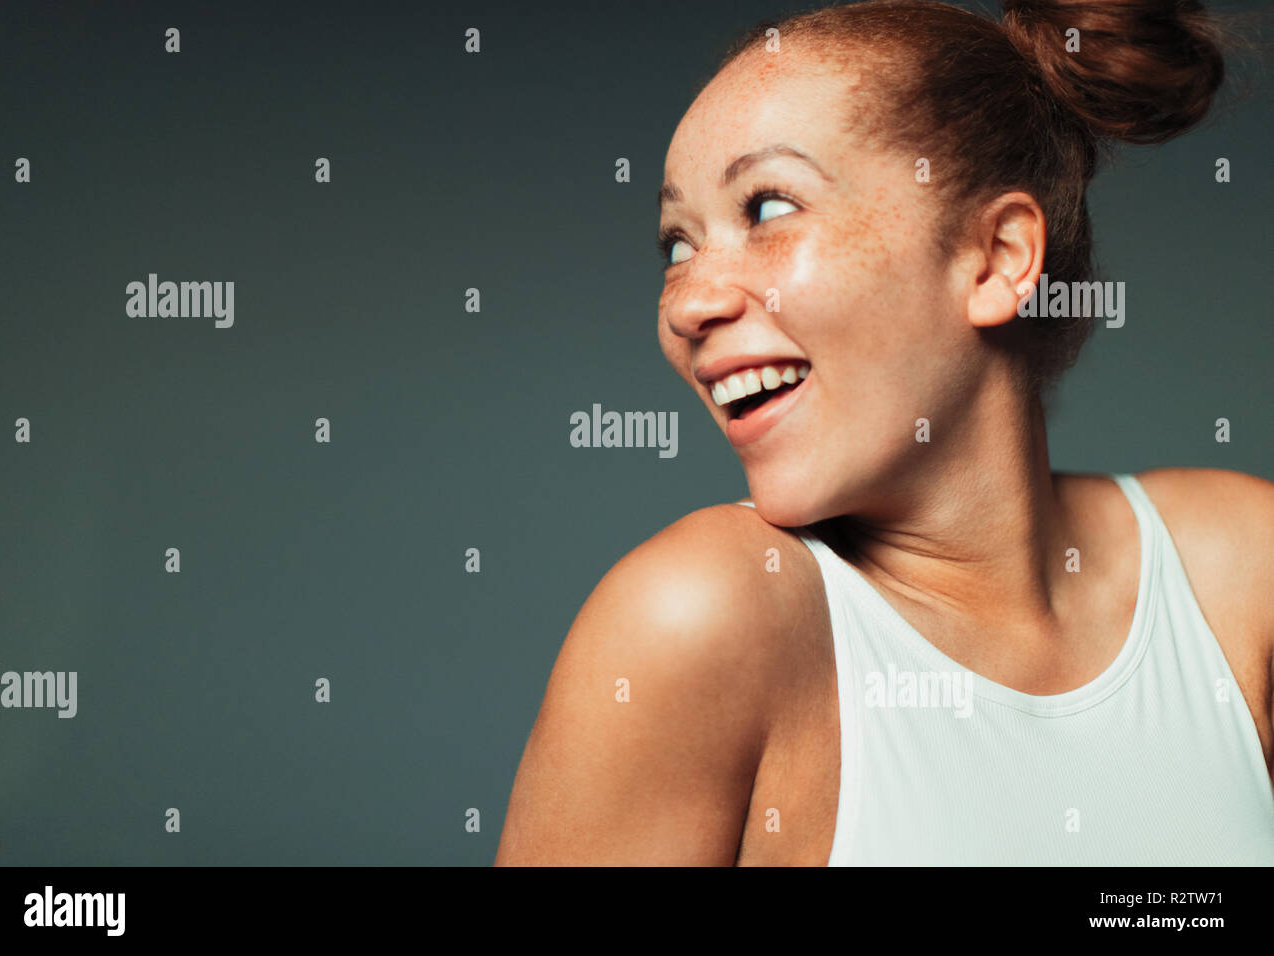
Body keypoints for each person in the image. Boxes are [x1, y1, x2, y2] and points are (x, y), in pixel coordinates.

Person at [495, 0, 1274, 865]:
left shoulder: (1239, 573)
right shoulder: (698, 620)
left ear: (997, 258)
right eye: (677, 245)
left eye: (767, 207)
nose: (686, 304)